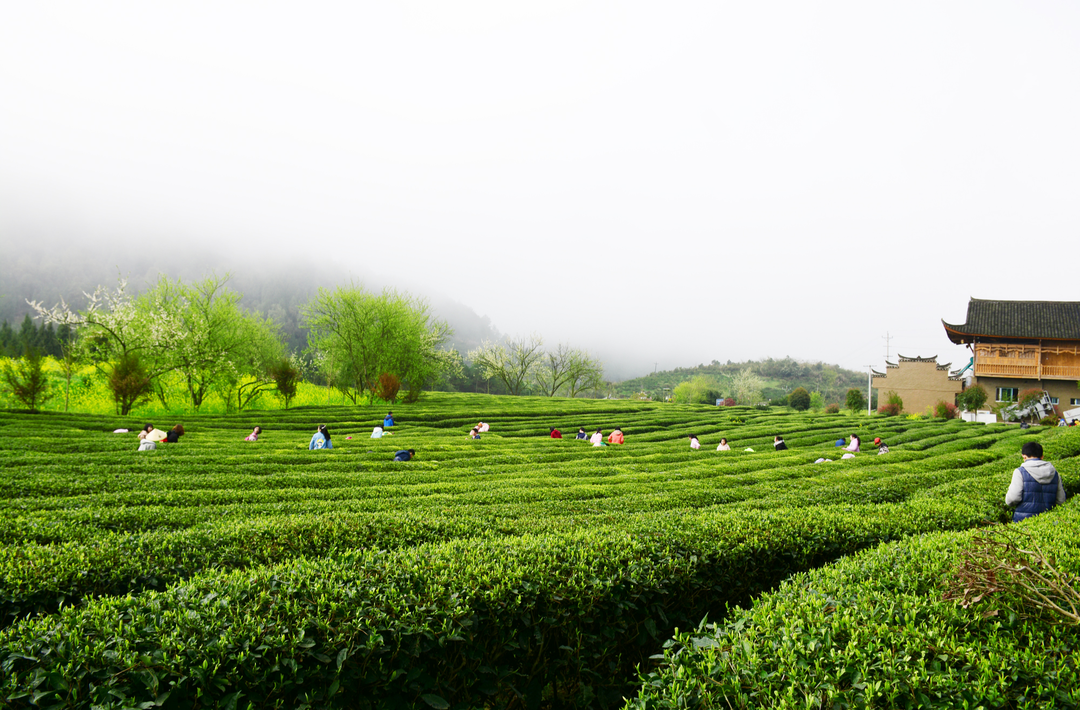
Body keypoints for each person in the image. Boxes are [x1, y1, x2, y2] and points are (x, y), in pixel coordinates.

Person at [1006, 441, 1066, 522]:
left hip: (1023, 521)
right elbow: (1061, 500)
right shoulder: (1054, 473)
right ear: (1042, 457)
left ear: (1024, 457)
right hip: (1047, 520)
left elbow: (1012, 499)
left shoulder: (1019, 472)